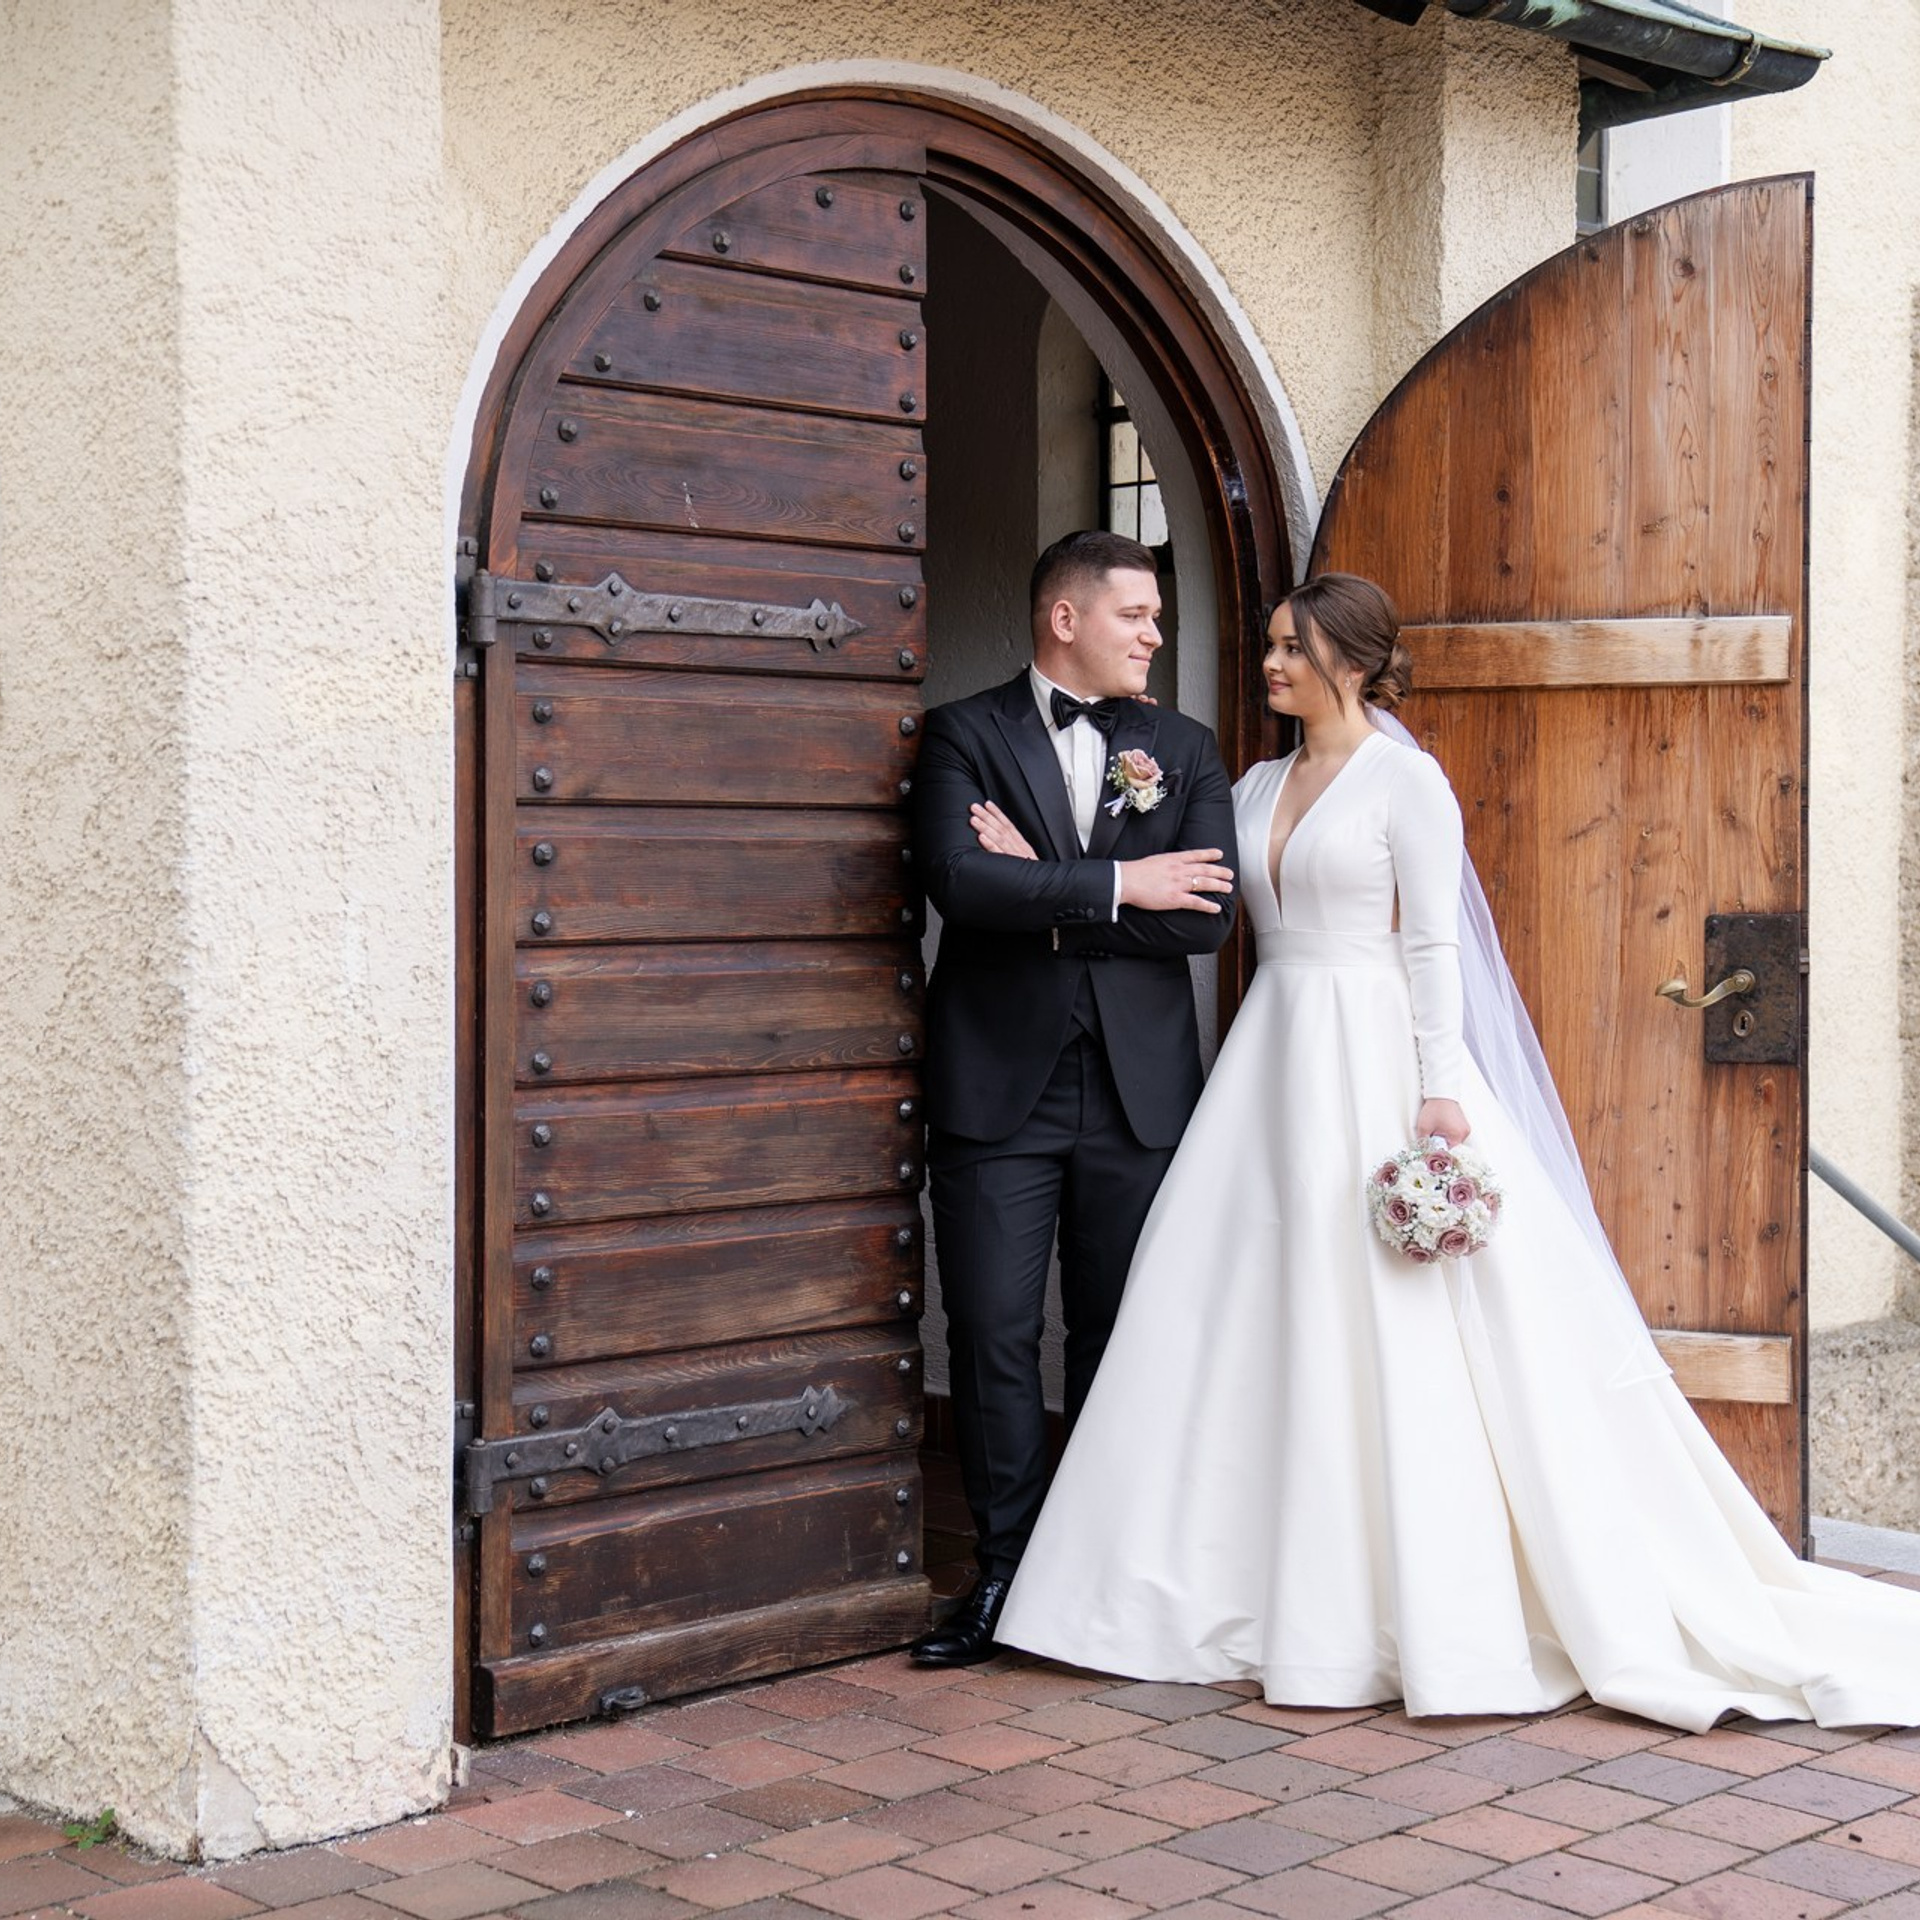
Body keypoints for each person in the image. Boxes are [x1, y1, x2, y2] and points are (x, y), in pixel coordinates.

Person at [992, 572, 1920, 1731]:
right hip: (1268, 1059)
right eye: (1271, 645)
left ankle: (1405, 1603)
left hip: (1375, 1058)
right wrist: (1032, 862)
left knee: (1388, 1318)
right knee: (1236, 1303)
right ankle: (1204, 1586)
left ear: (1357, 663)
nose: (1270, 664)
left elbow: (1434, 942)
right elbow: (1186, 905)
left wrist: (1437, 1091)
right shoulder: (1257, 780)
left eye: (1292, 649)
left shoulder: (1407, 783)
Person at [907, 529, 1239, 1667]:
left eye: (1156, 619)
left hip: (1142, 1099)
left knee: (1121, 1336)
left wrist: (1044, 885)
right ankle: (1004, 1575)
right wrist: (1115, 882)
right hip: (997, 1091)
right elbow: (959, 883)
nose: (1155, 635)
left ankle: (1103, 1576)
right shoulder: (962, 733)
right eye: (1136, 616)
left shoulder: (1185, 750)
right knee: (994, 1334)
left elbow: (1204, 918)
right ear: (1066, 619)